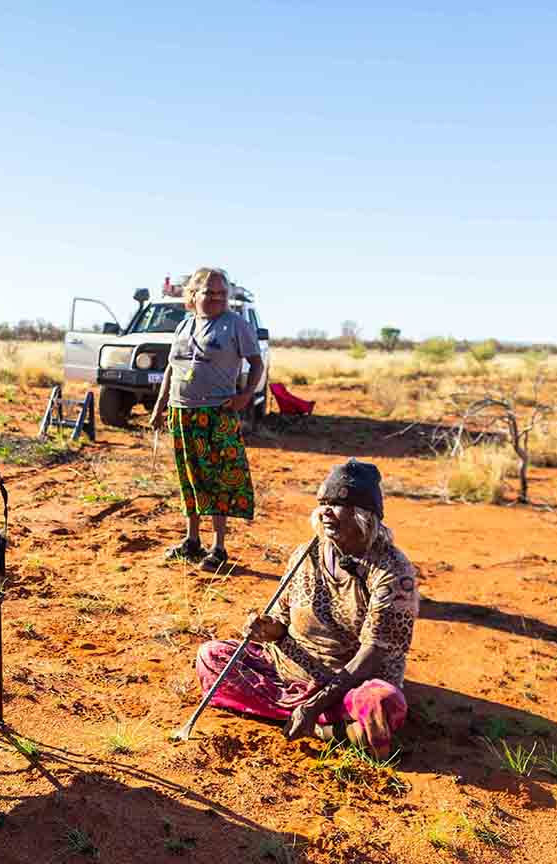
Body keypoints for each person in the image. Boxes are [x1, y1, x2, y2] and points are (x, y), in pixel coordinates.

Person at [194, 460, 419, 758]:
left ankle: (316, 719)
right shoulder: (305, 554)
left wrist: (315, 705)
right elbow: (281, 623)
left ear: (364, 514)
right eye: (322, 502)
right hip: (286, 672)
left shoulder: (392, 570)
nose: (324, 510)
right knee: (210, 656)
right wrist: (268, 629)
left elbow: (372, 653)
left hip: (349, 683)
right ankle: (330, 730)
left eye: (337, 503)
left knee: (383, 702)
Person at [149, 267, 264, 571]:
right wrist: (160, 406)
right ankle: (191, 541)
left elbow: (256, 364)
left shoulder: (235, 325)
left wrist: (245, 396)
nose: (216, 298)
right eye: (209, 292)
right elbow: (172, 369)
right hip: (181, 411)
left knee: (217, 480)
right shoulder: (183, 326)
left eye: (221, 293)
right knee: (190, 477)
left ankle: (219, 547)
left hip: (217, 413)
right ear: (193, 294)